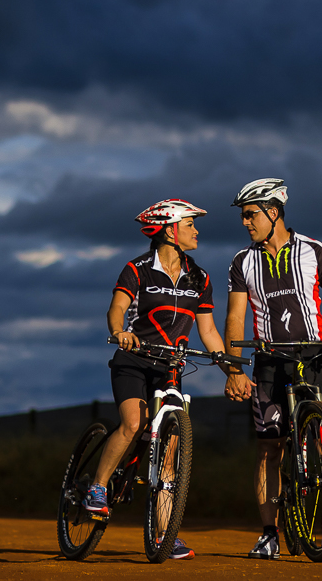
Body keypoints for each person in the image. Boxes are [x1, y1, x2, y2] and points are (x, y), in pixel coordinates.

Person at [221, 178, 322, 560]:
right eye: (243, 216)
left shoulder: (313, 250)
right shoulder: (242, 262)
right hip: (269, 363)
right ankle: (269, 534)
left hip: (314, 357)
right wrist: (235, 370)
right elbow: (235, 317)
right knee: (269, 448)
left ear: (273, 212)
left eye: (250, 215)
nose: (245, 223)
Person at [83, 198, 227, 561]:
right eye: (190, 224)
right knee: (133, 424)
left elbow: (209, 332)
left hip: (171, 367)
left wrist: (233, 372)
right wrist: (119, 331)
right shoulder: (137, 269)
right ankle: (97, 488)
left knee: (170, 454)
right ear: (169, 230)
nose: (196, 231)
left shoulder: (200, 277)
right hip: (133, 360)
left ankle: (165, 534)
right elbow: (117, 309)